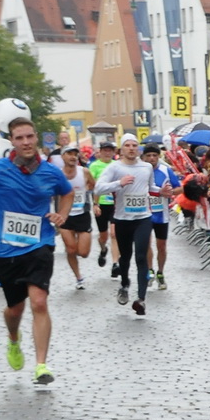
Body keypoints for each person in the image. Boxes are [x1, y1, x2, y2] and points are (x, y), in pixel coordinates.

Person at [0, 118, 72, 385]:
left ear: (36, 137)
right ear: (12, 142)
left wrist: (62, 215)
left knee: (39, 301)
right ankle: (13, 339)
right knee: (14, 310)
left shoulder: (51, 172)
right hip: (5, 250)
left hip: (40, 244)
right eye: (20, 138)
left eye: (30, 136)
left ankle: (41, 365)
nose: (26, 142)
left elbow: (67, 192)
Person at [94, 135, 156, 316]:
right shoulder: (115, 167)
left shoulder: (146, 167)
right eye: (127, 145)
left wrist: (164, 192)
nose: (131, 148)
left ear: (138, 149)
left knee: (141, 257)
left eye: (134, 145)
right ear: (121, 150)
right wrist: (118, 184)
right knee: (126, 257)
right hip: (122, 219)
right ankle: (124, 284)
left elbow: (152, 188)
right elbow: (98, 188)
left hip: (143, 218)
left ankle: (141, 299)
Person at [143, 144, 181, 289]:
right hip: (144, 214)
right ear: (144, 157)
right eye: (149, 156)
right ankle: (150, 270)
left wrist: (169, 193)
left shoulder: (166, 170)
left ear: (159, 157)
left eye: (155, 155)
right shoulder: (140, 171)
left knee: (162, 246)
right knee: (146, 243)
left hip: (161, 214)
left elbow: (179, 188)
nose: (152, 158)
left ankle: (160, 272)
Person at [55, 144, 93, 289]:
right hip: (64, 216)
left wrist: (95, 204)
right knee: (71, 250)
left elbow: (93, 186)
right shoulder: (57, 173)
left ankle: (76, 248)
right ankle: (79, 278)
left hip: (82, 215)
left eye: (75, 154)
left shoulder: (84, 172)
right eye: (69, 153)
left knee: (83, 253)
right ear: (62, 156)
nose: (72, 157)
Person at [89, 138, 117, 271]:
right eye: (105, 151)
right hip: (100, 204)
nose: (107, 153)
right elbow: (93, 186)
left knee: (114, 233)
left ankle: (115, 263)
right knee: (103, 235)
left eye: (109, 151)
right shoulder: (94, 166)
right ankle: (103, 249)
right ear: (100, 152)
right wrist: (95, 204)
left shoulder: (117, 165)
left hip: (114, 204)